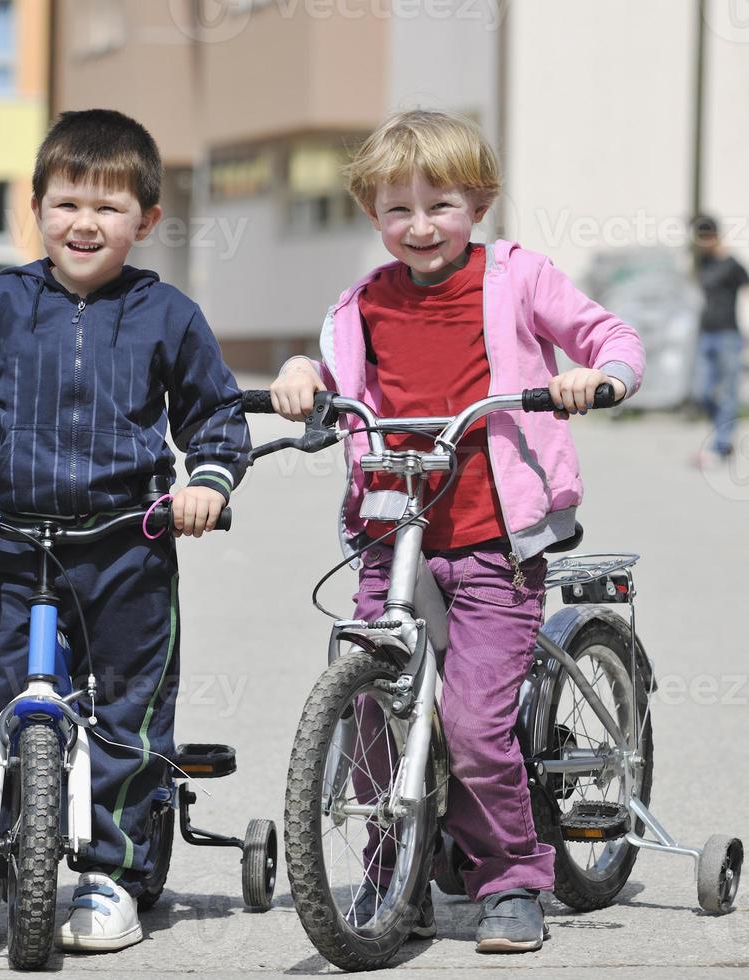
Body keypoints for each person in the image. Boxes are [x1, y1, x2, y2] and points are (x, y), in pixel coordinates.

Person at [270, 109, 645, 954]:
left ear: (476, 203)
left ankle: (512, 875)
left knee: (474, 723)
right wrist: (300, 373)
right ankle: (390, 867)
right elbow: (329, 369)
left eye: (439, 205)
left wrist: (601, 375)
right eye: (397, 210)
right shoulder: (363, 300)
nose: (419, 226)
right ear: (374, 217)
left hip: (491, 536)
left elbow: (608, 335)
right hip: (390, 529)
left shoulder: (517, 278)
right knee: (371, 706)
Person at [0, 109, 250, 954]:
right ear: (37, 206)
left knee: (128, 713)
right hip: (12, 541)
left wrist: (208, 481)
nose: (86, 223)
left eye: (109, 208)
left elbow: (216, 414)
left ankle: (111, 874)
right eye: (67, 203)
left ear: (146, 220)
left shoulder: (167, 315)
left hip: (128, 543)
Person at [690, 214, 747, 466]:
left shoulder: (732, 264)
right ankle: (721, 435)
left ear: (715, 235)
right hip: (705, 334)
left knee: (727, 392)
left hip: (728, 335)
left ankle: (721, 444)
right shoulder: (703, 262)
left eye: (706, 236)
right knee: (700, 391)